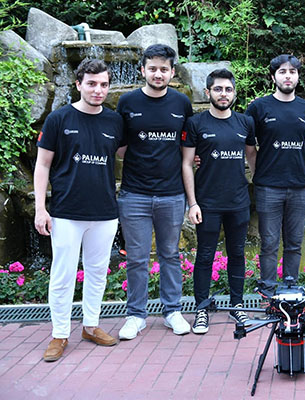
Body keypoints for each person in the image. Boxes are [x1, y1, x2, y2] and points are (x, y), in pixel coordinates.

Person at [34, 58, 123, 361]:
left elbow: (132, 154)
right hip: (66, 212)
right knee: (63, 275)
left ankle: (91, 326)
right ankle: (60, 334)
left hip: (105, 212)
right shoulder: (58, 119)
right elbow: (42, 165)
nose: (98, 90)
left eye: (104, 84)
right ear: (78, 84)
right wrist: (40, 209)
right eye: (92, 84)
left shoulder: (114, 121)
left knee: (97, 272)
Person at [116, 44, 193, 339]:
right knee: (136, 258)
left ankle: (172, 311)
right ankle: (136, 315)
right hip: (134, 193)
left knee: (170, 254)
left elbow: (187, 145)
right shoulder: (127, 102)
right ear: (142, 70)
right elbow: (120, 148)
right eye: (152, 68)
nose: (157, 74)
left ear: (172, 72)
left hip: (172, 193)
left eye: (163, 69)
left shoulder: (181, 103)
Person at [182, 68, 257, 334]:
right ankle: (201, 309)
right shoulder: (196, 123)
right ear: (208, 92)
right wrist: (193, 203)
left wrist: (259, 187)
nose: (223, 94)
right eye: (218, 89)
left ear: (234, 93)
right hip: (208, 203)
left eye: (228, 89)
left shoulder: (245, 122)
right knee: (205, 256)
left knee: (237, 254)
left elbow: (252, 156)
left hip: (238, 201)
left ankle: (237, 305)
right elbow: (187, 163)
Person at [245, 55, 305, 293]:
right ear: (273, 76)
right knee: (269, 243)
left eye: (292, 72)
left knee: (294, 242)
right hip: (268, 187)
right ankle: (268, 289)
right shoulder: (258, 108)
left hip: (300, 186)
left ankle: (290, 288)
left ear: (298, 77)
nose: (288, 76)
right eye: (283, 72)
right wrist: (258, 175)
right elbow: (249, 147)